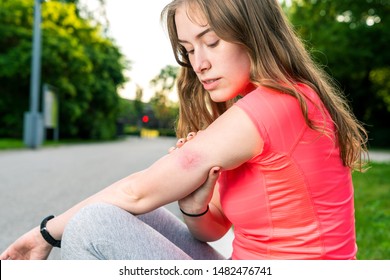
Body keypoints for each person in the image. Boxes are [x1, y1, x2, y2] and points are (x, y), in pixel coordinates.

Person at [0, 0, 368, 260]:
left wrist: (44, 233)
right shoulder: (268, 105)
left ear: (253, 32)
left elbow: (135, 191)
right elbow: (214, 230)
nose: (200, 63)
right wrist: (194, 208)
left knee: (93, 225)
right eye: (189, 50)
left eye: (211, 42)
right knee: (126, 215)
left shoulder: (274, 106)